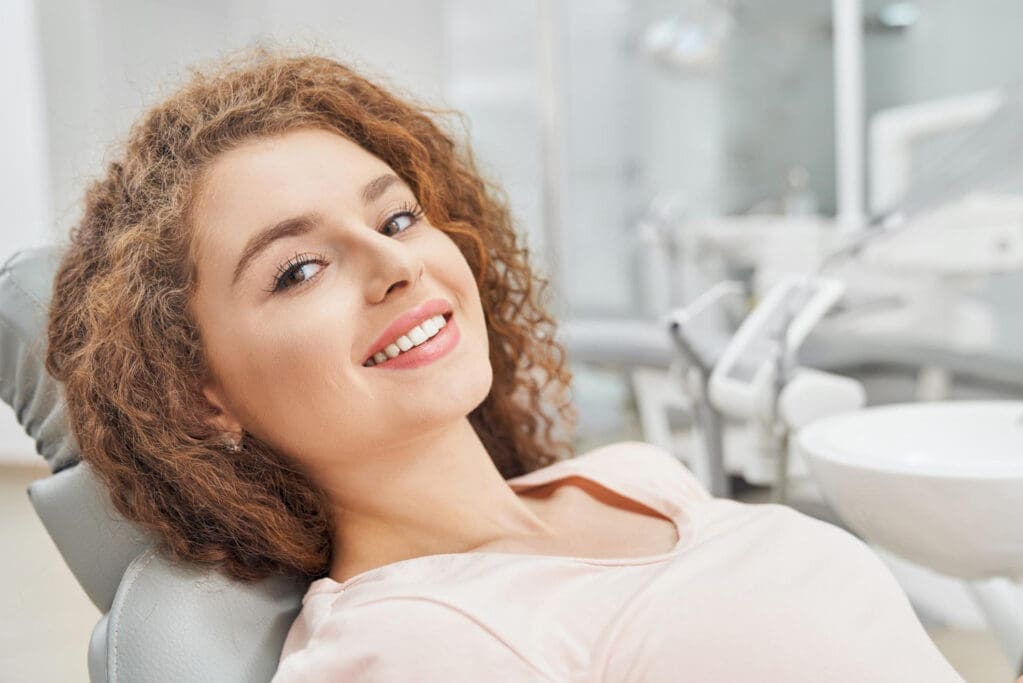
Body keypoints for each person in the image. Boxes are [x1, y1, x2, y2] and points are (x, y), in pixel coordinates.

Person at [44, 46, 966, 682]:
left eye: (396, 216)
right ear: (200, 397)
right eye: (299, 268)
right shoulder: (406, 644)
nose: (397, 262)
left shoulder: (627, 475)